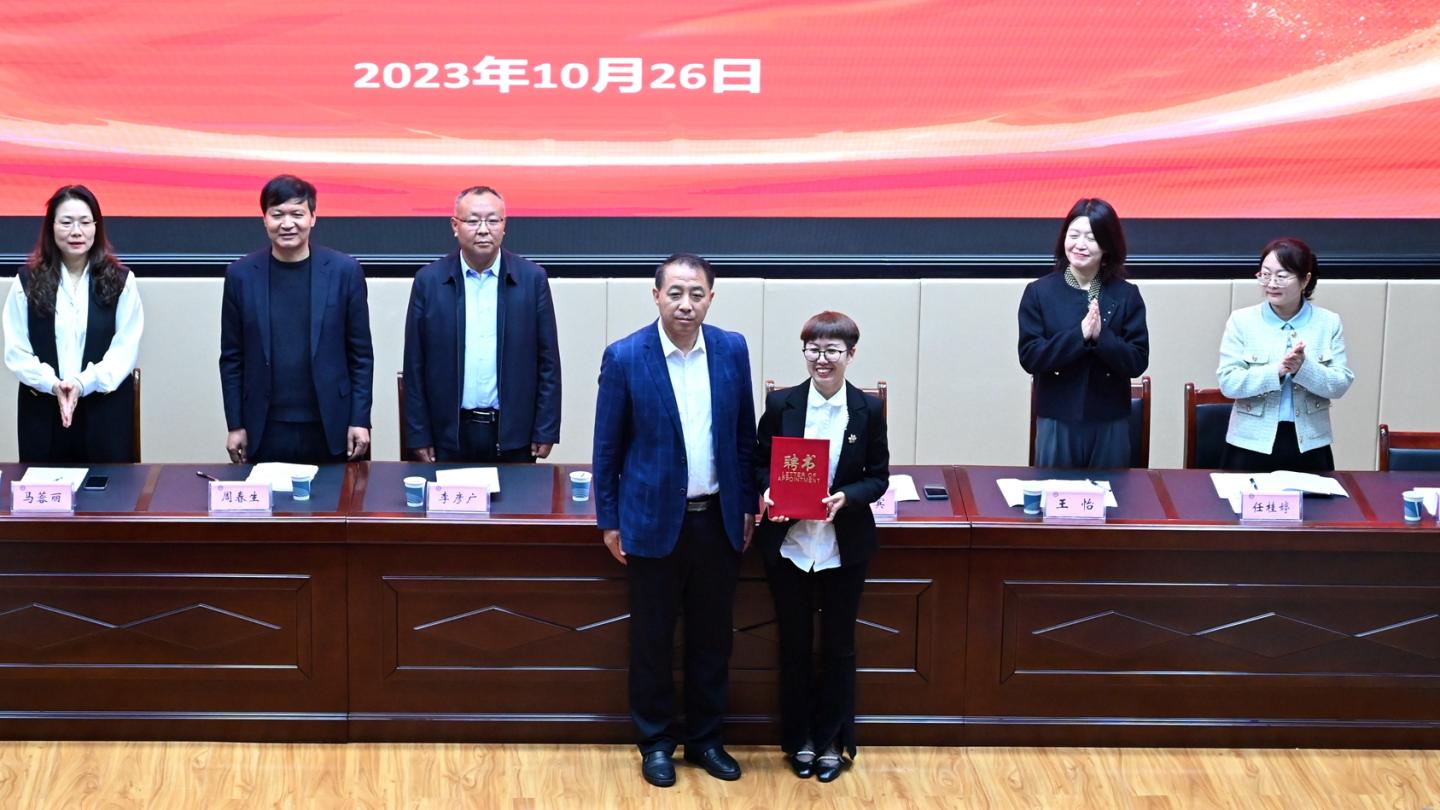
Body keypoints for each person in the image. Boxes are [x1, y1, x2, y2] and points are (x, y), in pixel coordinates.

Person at [592, 253, 756, 788]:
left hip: (718, 521)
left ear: (711, 298)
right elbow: (607, 448)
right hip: (650, 522)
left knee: (713, 640)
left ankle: (706, 739)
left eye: (697, 294)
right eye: (676, 293)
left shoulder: (732, 349)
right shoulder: (625, 356)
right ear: (656, 295)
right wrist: (609, 520)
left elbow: (744, 437)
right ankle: (656, 742)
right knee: (653, 641)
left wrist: (747, 504)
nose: (686, 304)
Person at [754, 311, 889, 783]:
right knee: (793, 647)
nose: (822, 359)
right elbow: (758, 463)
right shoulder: (782, 404)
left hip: (842, 546)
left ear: (851, 355)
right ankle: (799, 740)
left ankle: (832, 740)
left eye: (832, 350)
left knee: (838, 647)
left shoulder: (868, 410)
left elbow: (878, 477)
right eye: (813, 349)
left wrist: (846, 497)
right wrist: (768, 492)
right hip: (790, 546)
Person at [219, 175, 373, 464]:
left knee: (336, 494)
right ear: (264, 219)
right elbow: (232, 358)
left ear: (313, 217)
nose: (287, 223)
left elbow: (361, 356)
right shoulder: (241, 275)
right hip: (264, 427)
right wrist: (235, 424)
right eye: (277, 214)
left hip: (332, 425)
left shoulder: (345, 271)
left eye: (297, 214)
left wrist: (360, 419)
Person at [402, 186, 561, 462]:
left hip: (513, 435)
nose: (484, 230)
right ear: (455, 226)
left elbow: (548, 362)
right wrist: (419, 434)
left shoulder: (532, 280)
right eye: (473, 221)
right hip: (449, 435)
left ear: (504, 225)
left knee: (516, 493)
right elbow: (414, 365)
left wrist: (545, 428)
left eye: (493, 220)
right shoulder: (429, 282)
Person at [3, 185, 143, 462]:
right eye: (66, 222)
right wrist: (53, 385)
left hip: (104, 415)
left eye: (84, 222)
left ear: (96, 227)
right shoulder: (26, 282)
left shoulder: (121, 281)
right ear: (51, 228)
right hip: (44, 413)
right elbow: (17, 351)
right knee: (43, 486)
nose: (76, 231)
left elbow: (124, 351)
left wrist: (82, 383)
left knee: (109, 488)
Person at [1018, 197, 1149, 468]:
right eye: (1074, 235)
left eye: (1091, 238)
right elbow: (1030, 357)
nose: (1080, 244)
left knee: (1112, 492)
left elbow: (1137, 361)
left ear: (1107, 245)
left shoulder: (1126, 294)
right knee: (1054, 491)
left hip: (1110, 420)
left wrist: (1102, 337)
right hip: (1057, 417)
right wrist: (1079, 335)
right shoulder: (1039, 292)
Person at [1217, 238, 1353, 471]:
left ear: (1305, 280)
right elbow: (1228, 383)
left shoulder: (1328, 322)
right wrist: (1277, 371)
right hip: (1250, 443)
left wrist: (1303, 369)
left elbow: (1340, 384)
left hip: (1309, 445)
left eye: (1281, 276)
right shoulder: (1242, 321)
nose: (1271, 283)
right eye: (1265, 275)